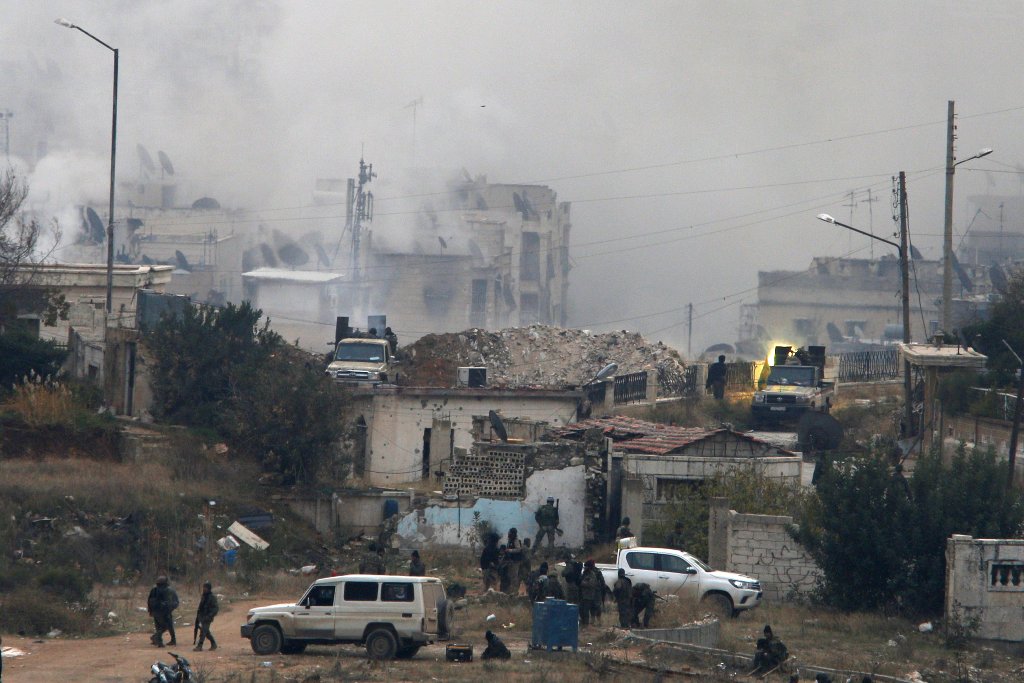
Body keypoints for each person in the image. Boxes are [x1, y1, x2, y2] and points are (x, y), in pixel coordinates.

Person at [147, 575, 179, 647]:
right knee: (167, 626)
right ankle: (158, 638)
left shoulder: (154, 590)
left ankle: (159, 641)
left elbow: (149, 601)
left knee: (159, 627)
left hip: (156, 612)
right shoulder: (169, 590)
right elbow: (175, 602)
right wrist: (170, 608)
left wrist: (150, 611)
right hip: (164, 612)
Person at [193, 581, 218, 652]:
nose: (204, 589)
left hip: (207, 617)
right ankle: (213, 643)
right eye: (203, 587)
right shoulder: (204, 596)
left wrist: (210, 615)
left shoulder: (212, 597)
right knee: (206, 632)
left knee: (203, 632)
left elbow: (215, 608)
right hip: (202, 616)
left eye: (206, 588)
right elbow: (201, 606)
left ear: (209, 588)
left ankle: (199, 646)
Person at [579, 559, 604, 627]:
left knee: (597, 606)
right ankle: (592, 621)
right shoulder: (586, 572)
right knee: (592, 607)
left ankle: (599, 622)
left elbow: (602, 582)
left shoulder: (597, 572)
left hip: (596, 591)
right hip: (590, 592)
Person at [503, 528, 524, 594]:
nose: (509, 534)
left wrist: (510, 550)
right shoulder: (510, 540)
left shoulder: (516, 540)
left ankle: (515, 590)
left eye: (510, 533)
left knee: (514, 575)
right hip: (511, 561)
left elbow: (518, 549)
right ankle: (511, 589)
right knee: (510, 575)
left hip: (516, 561)